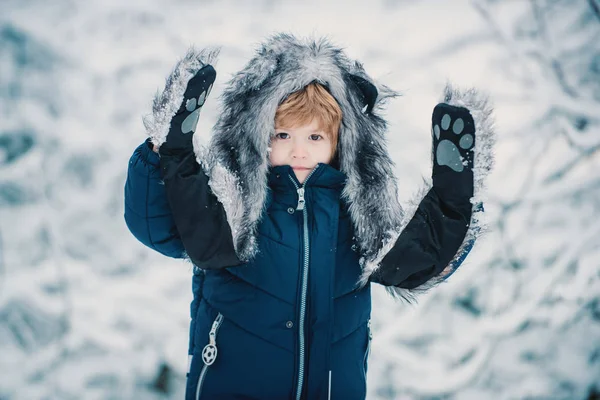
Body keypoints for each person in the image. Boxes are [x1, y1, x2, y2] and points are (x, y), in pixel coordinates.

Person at [124, 34, 494, 400]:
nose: (299, 150)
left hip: (331, 390)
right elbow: (162, 223)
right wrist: (166, 153)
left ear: (340, 143)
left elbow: (414, 260)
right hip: (234, 385)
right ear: (257, 138)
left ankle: (454, 188)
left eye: (315, 137)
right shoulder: (236, 210)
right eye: (283, 134)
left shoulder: (358, 216)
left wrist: (453, 195)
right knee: (202, 221)